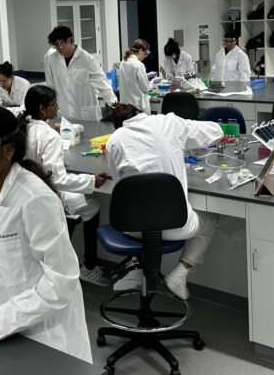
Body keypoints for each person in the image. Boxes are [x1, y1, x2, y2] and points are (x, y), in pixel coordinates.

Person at [0, 106, 92, 363]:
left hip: (44, 337)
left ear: (8, 150)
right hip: (5, 329)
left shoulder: (35, 199)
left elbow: (61, 281)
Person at [105, 103, 223, 300]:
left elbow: (120, 185)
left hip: (132, 227)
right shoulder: (169, 123)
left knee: (141, 208)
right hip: (176, 226)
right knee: (212, 218)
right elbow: (215, 131)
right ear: (141, 112)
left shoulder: (114, 141)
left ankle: (137, 268)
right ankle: (180, 273)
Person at [22, 85, 109, 286]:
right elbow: (57, 180)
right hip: (47, 196)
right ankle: (88, 267)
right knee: (92, 208)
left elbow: (34, 161)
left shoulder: (23, 128)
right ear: (42, 109)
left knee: (77, 208)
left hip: (28, 194)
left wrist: (56, 162)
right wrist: (91, 181)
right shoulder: (49, 135)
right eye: (54, 105)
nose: (57, 109)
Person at [44, 25, 116, 121]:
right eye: (55, 46)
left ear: (69, 40)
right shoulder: (52, 58)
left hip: (86, 115)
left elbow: (103, 84)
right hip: (64, 113)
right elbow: (51, 87)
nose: (58, 48)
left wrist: (115, 105)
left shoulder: (87, 59)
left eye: (59, 44)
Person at [118, 39, 152, 115]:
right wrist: (151, 83)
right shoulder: (138, 65)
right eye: (145, 53)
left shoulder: (123, 63)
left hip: (126, 107)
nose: (145, 56)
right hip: (138, 107)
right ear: (140, 51)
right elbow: (145, 88)